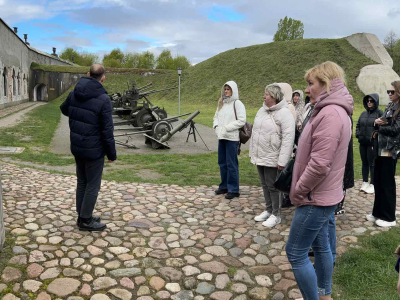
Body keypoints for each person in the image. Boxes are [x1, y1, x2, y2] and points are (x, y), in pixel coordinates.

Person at [285, 61, 353, 300]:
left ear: (325, 84)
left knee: (295, 252)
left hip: (315, 197)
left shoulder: (331, 114)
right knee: (322, 246)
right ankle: (324, 294)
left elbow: (319, 164)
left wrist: (298, 192)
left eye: (310, 83)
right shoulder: (329, 110)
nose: (306, 89)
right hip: (323, 195)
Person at [60, 64, 116, 232]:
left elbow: (64, 109)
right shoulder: (104, 99)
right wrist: (111, 154)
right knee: (93, 184)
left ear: (88, 74)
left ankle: (82, 215)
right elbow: (107, 130)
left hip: (77, 146)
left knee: (82, 181)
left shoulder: (74, 93)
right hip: (94, 150)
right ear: (103, 78)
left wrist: (80, 114)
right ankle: (85, 220)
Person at [251, 83, 295, 228]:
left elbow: (288, 138)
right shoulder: (261, 111)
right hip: (261, 155)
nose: (264, 96)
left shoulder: (284, 113)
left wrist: (282, 160)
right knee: (264, 185)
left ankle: (276, 214)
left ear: (275, 97)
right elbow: (256, 133)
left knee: (273, 186)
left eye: (267, 94)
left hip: (273, 156)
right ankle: (268, 209)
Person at [367, 81, 400, 227]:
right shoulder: (389, 106)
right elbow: (386, 122)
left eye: (392, 92)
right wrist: (379, 122)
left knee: (387, 183)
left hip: (391, 149)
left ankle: (389, 217)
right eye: (388, 91)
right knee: (378, 181)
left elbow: (396, 129)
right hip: (381, 148)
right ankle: (377, 213)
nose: (389, 94)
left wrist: (381, 126)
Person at [213, 81, 246, 200]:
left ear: (233, 90)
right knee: (222, 162)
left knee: (231, 163)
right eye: (225, 89)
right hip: (221, 136)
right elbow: (216, 116)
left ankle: (234, 189)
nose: (226, 91)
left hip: (232, 138)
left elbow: (241, 120)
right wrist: (216, 127)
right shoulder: (221, 103)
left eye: (228, 89)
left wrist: (227, 128)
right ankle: (224, 186)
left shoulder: (237, 103)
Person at [356, 94, 382, 194]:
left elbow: (382, 126)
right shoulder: (363, 113)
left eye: (371, 101)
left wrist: (375, 137)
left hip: (372, 143)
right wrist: (358, 134)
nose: (369, 102)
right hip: (362, 142)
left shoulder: (379, 113)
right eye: (368, 101)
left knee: (372, 164)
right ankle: (365, 182)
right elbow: (358, 125)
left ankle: (373, 184)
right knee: (364, 162)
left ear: (375, 102)